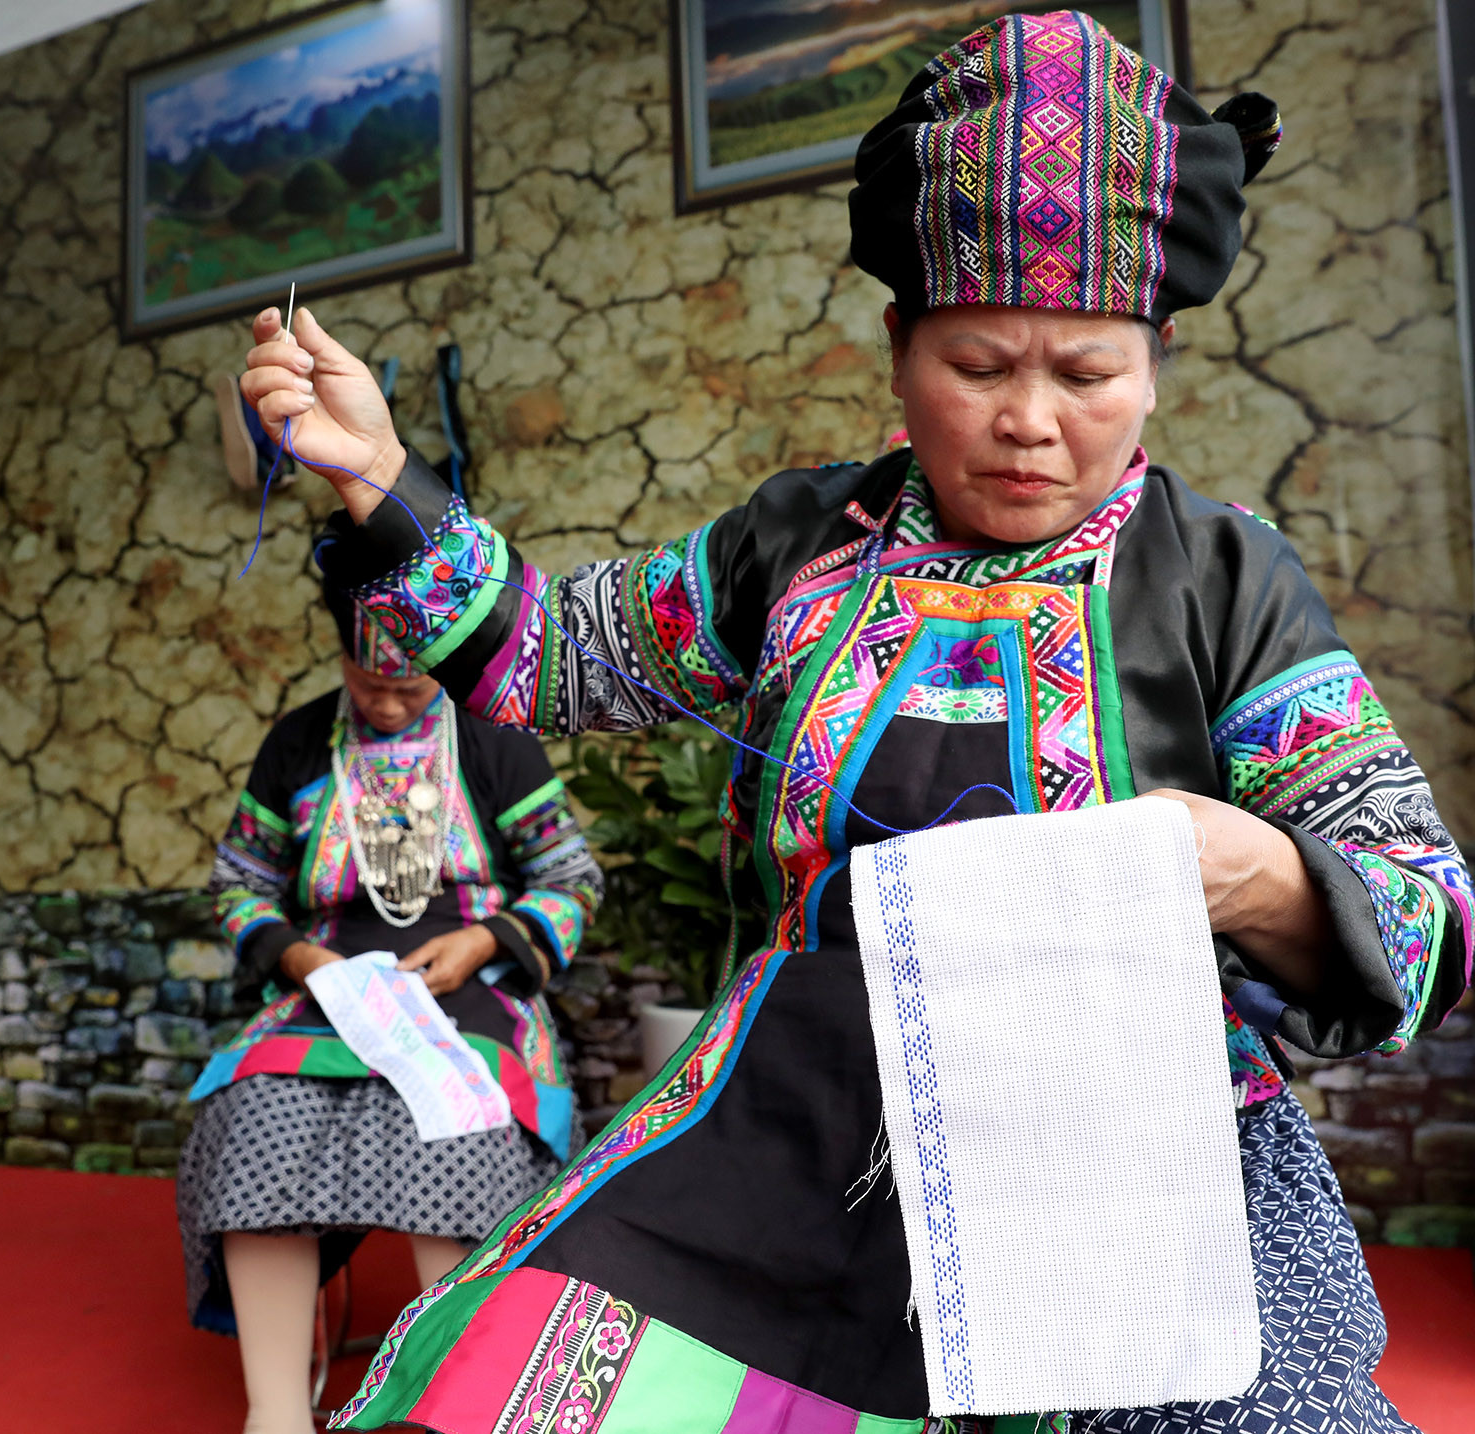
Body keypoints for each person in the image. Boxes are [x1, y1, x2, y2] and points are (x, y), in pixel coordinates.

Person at [237, 12, 1470, 1433]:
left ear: (1162, 358)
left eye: (1086, 375)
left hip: (1128, 1175)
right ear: (897, 343)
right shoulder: (799, 546)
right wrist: (383, 477)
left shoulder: (1223, 577)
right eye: (980, 364)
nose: (1028, 420)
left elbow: (1424, 905)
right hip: (793, 1134)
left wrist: (1247, 867)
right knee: (497, 1393)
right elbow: (543, 658)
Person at [176, 579, 604, 1434]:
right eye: (369, 683)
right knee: (258, 1117)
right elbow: (239, 884)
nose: (386, 701)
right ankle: (277, 1411)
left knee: (461, 1131)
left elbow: (571, 878)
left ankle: (457, 1407)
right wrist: (298, 958)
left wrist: (484, 943)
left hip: (471, 986)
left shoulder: (492, 736)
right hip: (326, 985)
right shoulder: (298, 743)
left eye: (409, 687)